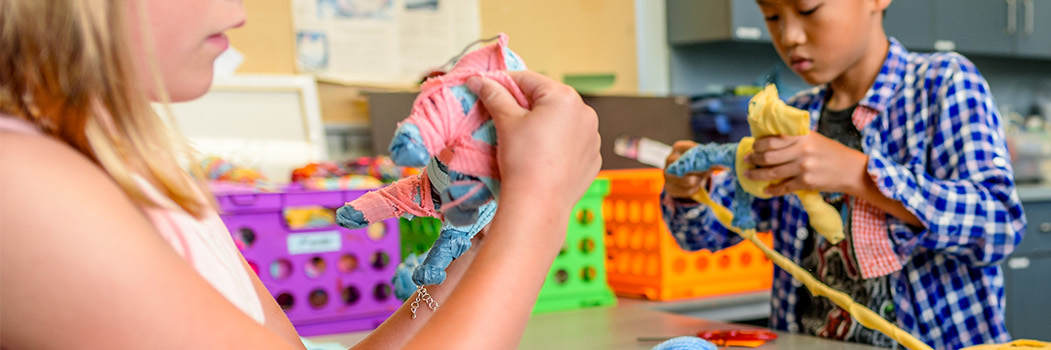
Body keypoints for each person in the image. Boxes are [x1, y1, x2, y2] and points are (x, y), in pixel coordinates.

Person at [0, 0, 603, 347]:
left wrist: (487, 223)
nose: (237, 12)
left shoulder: (137, 168)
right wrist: (539, 207)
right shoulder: (24, 190)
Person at [661, 0, 1022, 348]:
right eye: (772, 17)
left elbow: (1000, 227)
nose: (790, 37)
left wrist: (858, 174)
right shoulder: (793, 115)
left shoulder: (942, 83)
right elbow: (700, 234)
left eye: (807, 10)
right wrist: (689, 190)